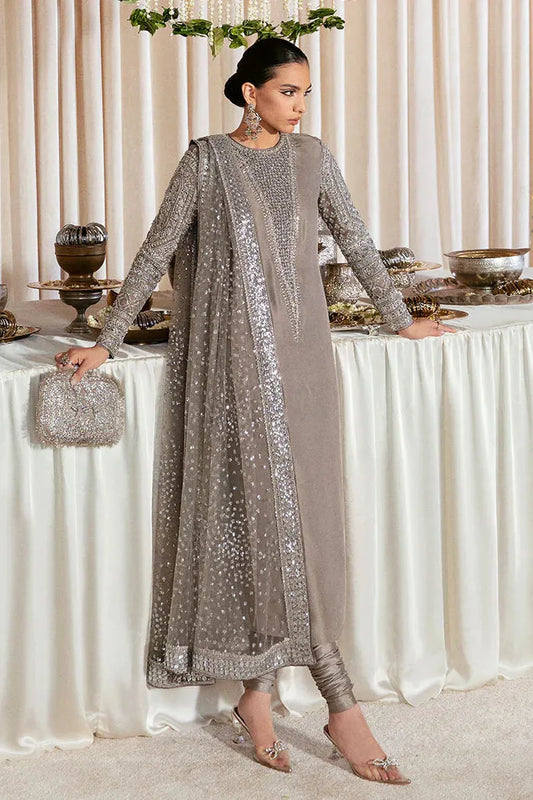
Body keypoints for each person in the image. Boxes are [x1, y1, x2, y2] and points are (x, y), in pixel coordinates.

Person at [55, 37, 455, 785]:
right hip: (232, 362)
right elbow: (153, 253)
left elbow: (357, 240)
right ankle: (337, 706)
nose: (298, 106)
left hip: (305, 363)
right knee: (258, 516)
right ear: (249, 93)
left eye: (305, 93)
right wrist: (106, 341)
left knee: (308, 518)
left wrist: (399, 317)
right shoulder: (206, 161)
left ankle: (259, 697)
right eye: (287, 92)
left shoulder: (311, 158)